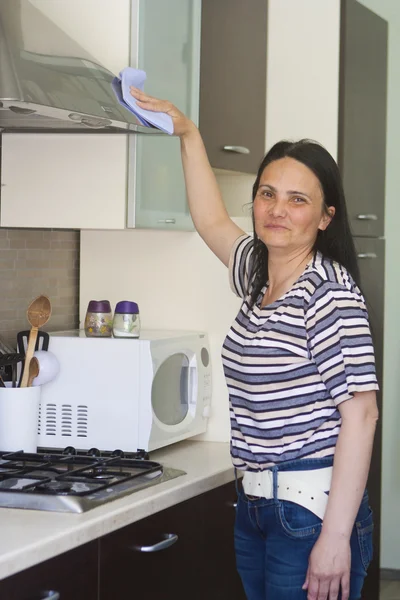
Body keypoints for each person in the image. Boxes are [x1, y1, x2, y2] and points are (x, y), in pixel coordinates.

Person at [129, 87, 379, 600]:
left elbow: (362, 414)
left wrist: (335, 539)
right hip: (257, 509)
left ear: (325, 217)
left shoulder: (328, 294)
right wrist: (189, 133)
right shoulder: (259, 273)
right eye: (268, 193)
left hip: (310, 513)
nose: (277, 210)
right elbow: (211, 221)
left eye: (297, 199)